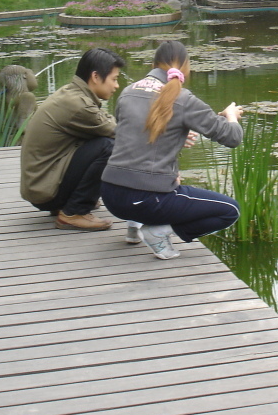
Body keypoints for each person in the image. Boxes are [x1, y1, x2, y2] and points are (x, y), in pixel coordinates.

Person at [100, 40, 243, 259]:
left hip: (111, 195)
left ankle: (133, 226)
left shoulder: (128, 92)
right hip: (146, 199)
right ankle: (158, 232)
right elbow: (233, 137)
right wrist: (231, 116)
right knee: (230, 211)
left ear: (153, 63)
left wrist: (180, 134)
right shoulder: (183, 98)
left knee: (146, 178)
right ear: (185, 66)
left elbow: (132, 137)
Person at [20, 47, 125, 231]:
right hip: (46, 192)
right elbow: (118, 132)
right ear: (95, 77)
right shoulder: (78, 105)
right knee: (111, 147)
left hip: (41, 186)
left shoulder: (72, 93)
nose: (116, 86)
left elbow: (105, 121)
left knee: (102, 141)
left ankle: (71, 203)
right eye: (114, 79)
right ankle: (74, 212)